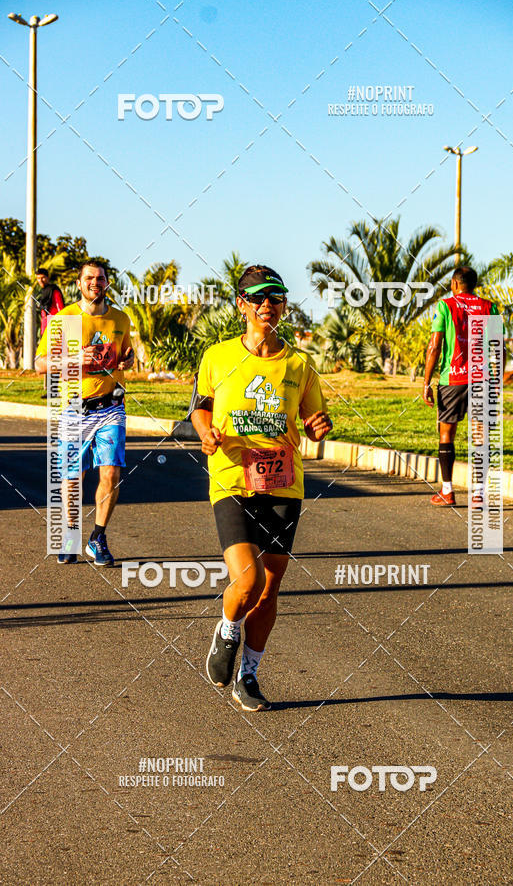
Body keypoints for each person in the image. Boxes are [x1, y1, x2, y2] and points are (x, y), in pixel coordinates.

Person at [190, 264, 332, 711]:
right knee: (247, 581)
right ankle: (228, 629)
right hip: (231, 477)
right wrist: (204, 431)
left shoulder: (298, 364)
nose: (267, 306)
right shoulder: (218, 356)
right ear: (242, 305)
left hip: (283, 484)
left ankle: (248, 676)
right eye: (258, 298)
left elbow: (314, 422)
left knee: (269, 589)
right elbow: (200, 407)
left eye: (276, 298)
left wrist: (319, 426)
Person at [34, 261, 134, 564]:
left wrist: (127, 362)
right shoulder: (65, 319)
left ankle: (98, 537)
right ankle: (71, 533)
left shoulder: (120, 318)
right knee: (74, 476)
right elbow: (40, 365)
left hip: (111, 405)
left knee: (112, 471)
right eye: (89, 278)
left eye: (101, 278)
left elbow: (125, 356)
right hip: (75, 409)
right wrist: (75, 357)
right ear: (79, 284)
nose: (95, 282)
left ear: (107, 283)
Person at [422, 266, 505, 506]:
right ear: (474, 284)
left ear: (455, 284)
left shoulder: (445, 306)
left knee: (446, 432)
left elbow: (434, 346)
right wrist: (496, 380)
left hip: (453, 379)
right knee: (480, 434)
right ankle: (478, 493)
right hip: (483, 379)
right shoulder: (489, 307)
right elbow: (499, 347)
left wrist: (426, 382)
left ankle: (447, 491)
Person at [36, 268, 65, 398]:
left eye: (43, 277)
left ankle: (53, 391)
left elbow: (61, 310)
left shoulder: (54, 291)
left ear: (47, 277)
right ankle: (50, 390)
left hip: (54, 330)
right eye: (38, 278)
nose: (40, 280)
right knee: (47, 360)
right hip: (45, 330)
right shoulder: (43, 293)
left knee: (53, 360)